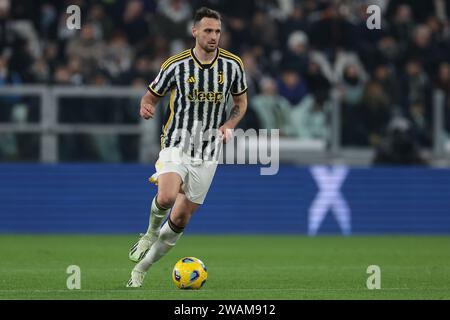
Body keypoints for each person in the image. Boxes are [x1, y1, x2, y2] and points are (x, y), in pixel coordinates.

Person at [126, 7, 248, 287]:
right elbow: (150, 97)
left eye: (217, 31)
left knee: (180, 218)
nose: (214, 36)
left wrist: (230, 124)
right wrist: (146, 107)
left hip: (208, 152)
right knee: (167, 197)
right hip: (176, 144)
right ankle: (148, 233)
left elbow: (241, 104)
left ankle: (141, 269)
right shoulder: (175, 64)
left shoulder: (233, 65)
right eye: (208, 30)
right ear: (194, 32)